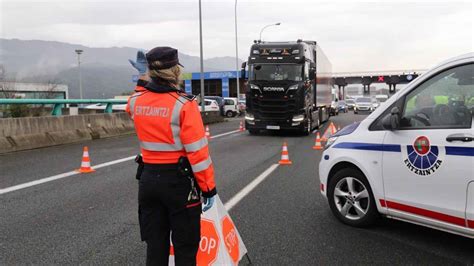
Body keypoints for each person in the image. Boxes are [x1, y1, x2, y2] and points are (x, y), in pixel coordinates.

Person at [126, 47, 217, 266]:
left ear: (152, 71)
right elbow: (198, 153)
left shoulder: (137, 101)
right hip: (179, 183)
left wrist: (142, 77)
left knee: (155, 247)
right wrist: (208, 188)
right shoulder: (184, 105)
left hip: (148, 180)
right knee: (185, 248)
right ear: (176, 71)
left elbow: (132, 103)